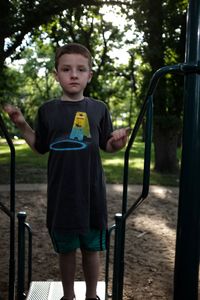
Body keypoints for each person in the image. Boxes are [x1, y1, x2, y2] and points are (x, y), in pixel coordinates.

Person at [4, 43, 129, 300]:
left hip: (92, 193)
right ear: (56, 74)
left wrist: (118, 143)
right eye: (66, 69)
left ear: (89, 75)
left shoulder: (99, 108)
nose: (74, 74)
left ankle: (92, 295)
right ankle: (68, 296)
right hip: (62, 194)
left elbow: (107, 144)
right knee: (67, 250)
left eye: (81, 69)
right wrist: (21, 123)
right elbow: (39, 146)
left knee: (91, 248)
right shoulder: (48, 110)